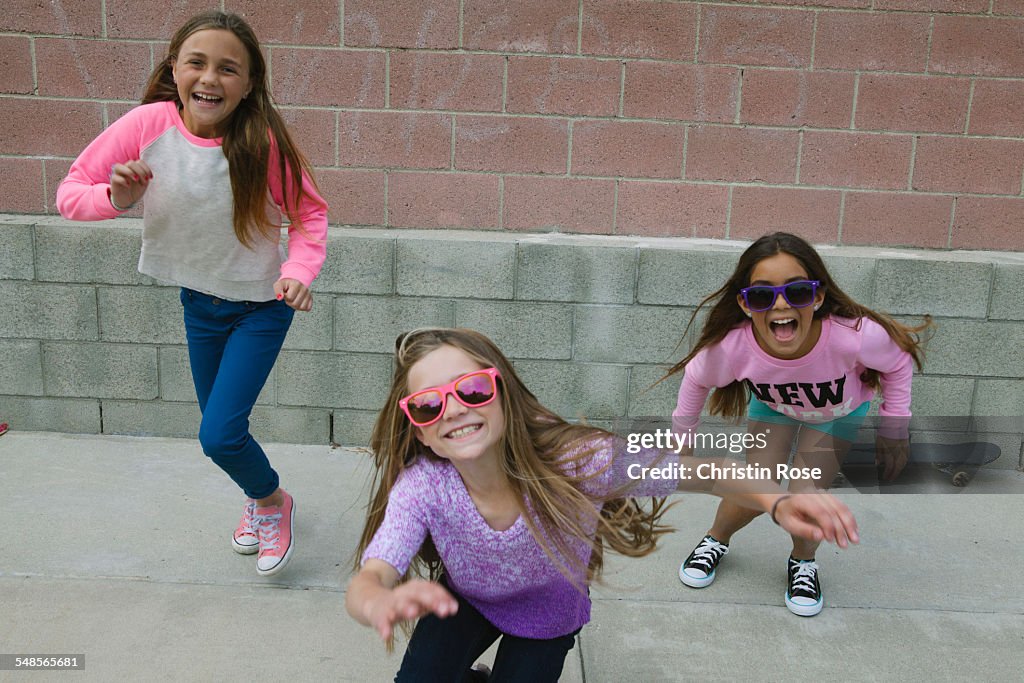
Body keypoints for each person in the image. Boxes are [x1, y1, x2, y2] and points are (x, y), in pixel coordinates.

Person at [345, 328, 859, 681]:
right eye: (429, 404)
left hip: (549, 614)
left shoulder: (579, 459)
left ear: (504, 393)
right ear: (419, 427)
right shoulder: (423, 485)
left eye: (472, 389)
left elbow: (702, 471)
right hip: (467, 600)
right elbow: (375, 571)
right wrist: (376, 601)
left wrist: (777, 500)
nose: (453, 408)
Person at [56, 11, 327, 577]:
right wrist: (117, 196)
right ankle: (260, 496)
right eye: (197, 62)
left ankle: (274, 502)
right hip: (198, 303)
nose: (211, 78)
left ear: (249, 84)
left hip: (261, 307)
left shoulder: (263, 141)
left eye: (229, 68)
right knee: (222, 430)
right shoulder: (146, 125)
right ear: (174, 67)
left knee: (218, 435)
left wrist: (300, 269)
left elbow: (308, 216)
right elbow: (71, 193)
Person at [667, 231, 930, 616]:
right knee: (757, 485)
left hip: (837, 415)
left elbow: (898, 361)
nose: (780, 305)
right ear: (745, 303)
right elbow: (696, 379)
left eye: (797, 292)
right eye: (761, 295)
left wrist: (894, 429)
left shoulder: (852, 337)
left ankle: (802, 561)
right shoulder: (733, 347)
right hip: (774, 409)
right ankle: (716, 538)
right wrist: (681, 441)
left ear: (818, 296)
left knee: (806, 494)